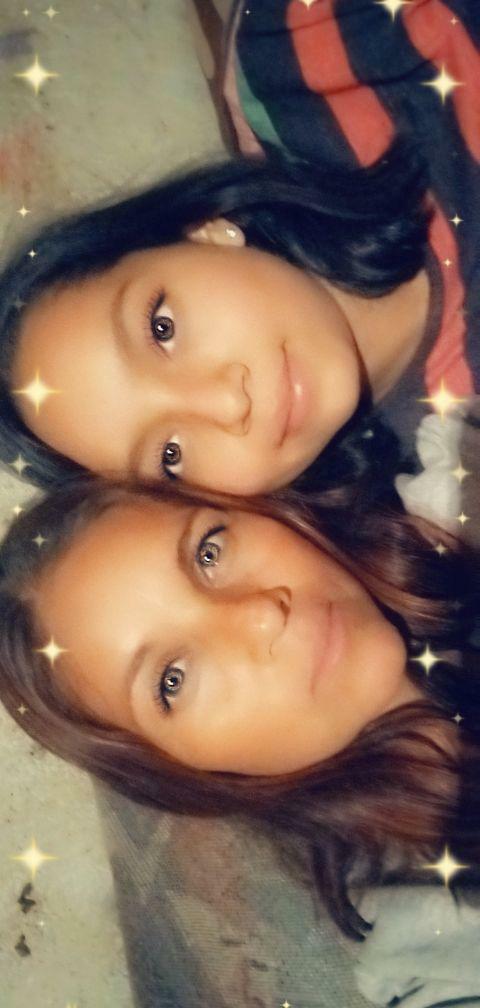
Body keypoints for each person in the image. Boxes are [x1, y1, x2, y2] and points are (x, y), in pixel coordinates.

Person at [0, 1, 477, 502]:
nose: (228, 404)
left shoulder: (305, 56)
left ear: (202, 229)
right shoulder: (452, 486)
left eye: (162, 328)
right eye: (170, 456)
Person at [0, 477, 478, 942]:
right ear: (181, 777)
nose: (261, 615)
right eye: (173, 679)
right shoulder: (432, 929)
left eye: (208, 553)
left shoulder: (447, 489)